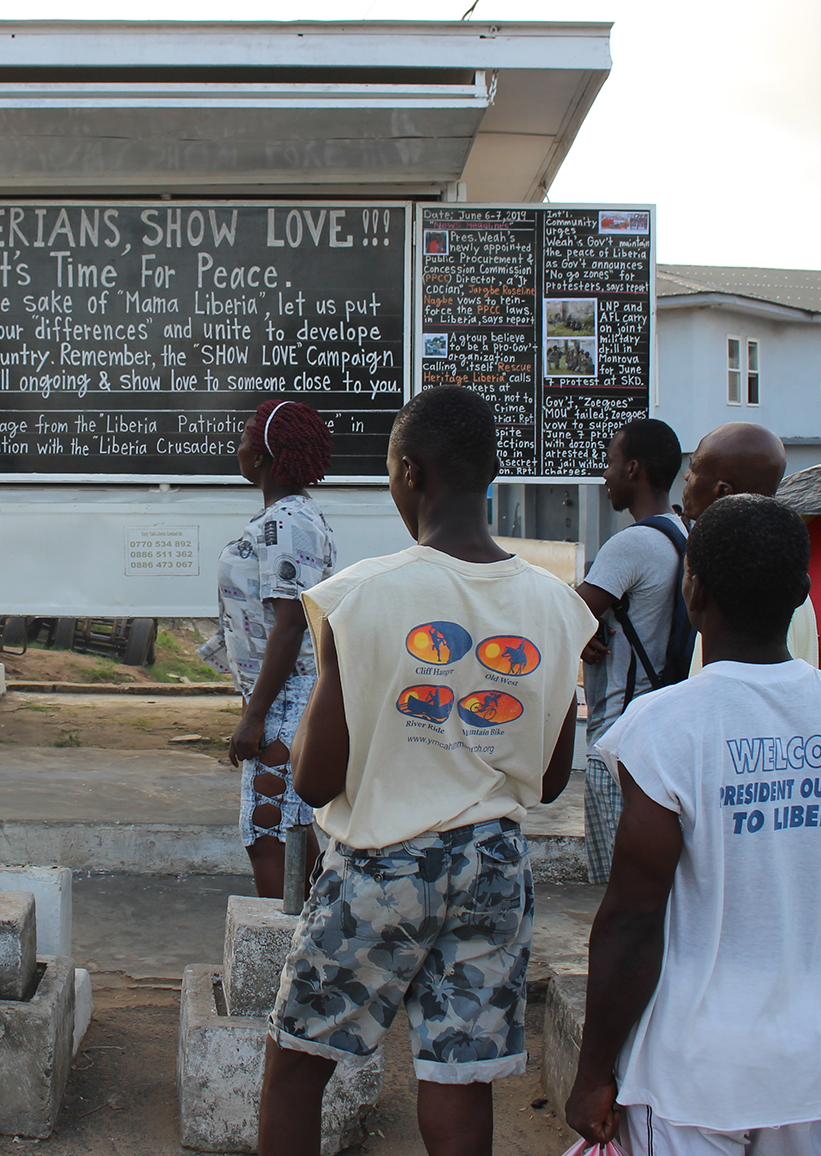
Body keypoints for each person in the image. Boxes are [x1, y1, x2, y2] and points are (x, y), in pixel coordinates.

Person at [257, 386, 595, 1156]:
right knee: (457, 1074)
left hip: (384, 867)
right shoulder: (558, 607)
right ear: (494, 472)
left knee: (298, 1059)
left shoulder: (359, 596)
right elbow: (546, 783)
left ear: (409, 473)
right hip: (496, 868)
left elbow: (312, 781)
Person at [566, 495, 821, 1156]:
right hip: (814, 1060)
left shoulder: (666, 728)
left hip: (696, 1071)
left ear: (694, 591)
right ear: (803, 593)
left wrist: (592, 1074)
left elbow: (631, 920)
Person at [217, 398, 337, 897]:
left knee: (268, 829)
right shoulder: (287, 518)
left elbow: (291, 624)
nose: (239, 444)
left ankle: (279, 960)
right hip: (282, 695)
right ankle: (315, 943)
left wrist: (256, 715)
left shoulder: (287, 523)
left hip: (287, 697)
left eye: (247, 434)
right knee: (287, 826)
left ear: (266, 453)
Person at [574, 418, 687, 882]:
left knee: (618, 888)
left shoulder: (633, 543)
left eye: (611, 463)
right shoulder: (685, 534)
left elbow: (564, 616)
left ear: (634, 469)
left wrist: (581, 630)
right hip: (666, 733)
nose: (605, 475)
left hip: (618, 738)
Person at [678, 422, 818, 670]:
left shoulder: (737, 587)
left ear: (722, 491)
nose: (687, 476)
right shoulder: (781, 573)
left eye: (694, 468)